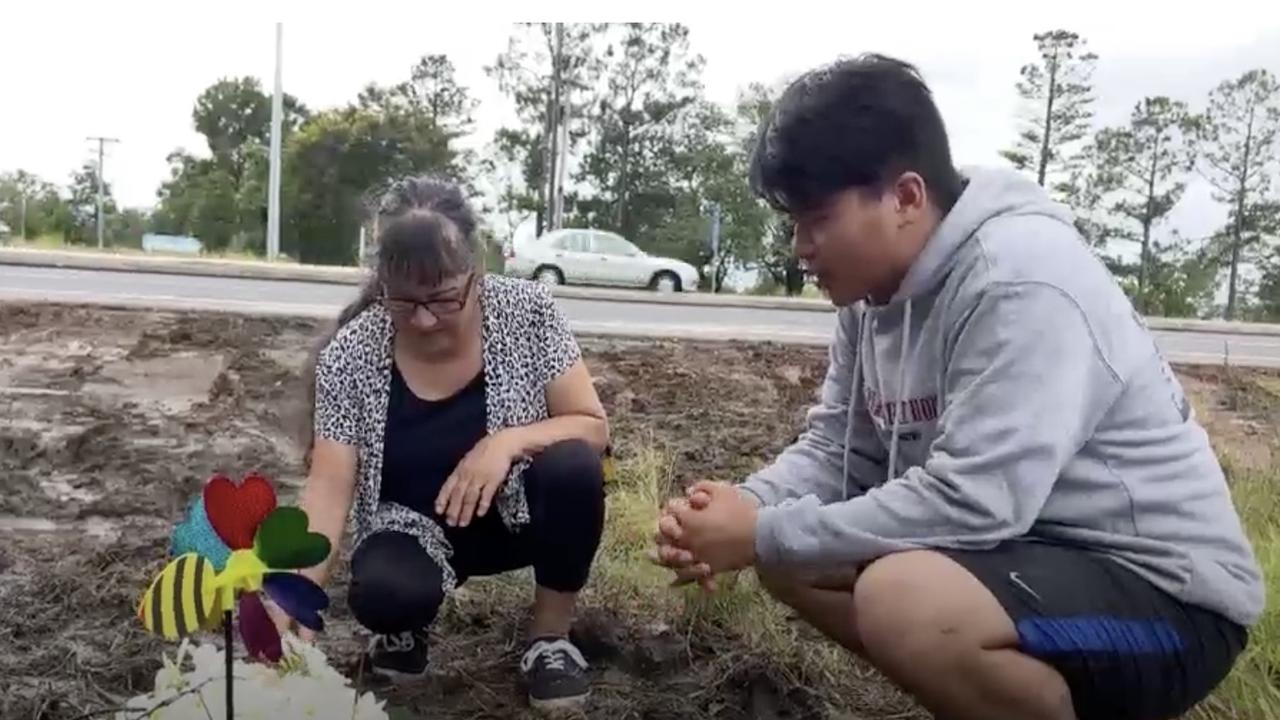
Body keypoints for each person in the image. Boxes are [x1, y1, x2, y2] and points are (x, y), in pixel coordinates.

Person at [653, 54, 1264, 720]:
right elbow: (838, 451)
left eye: (818, 219)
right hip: (1027, 560)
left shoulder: (1020, 279)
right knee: (795, 557)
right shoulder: (870, 297)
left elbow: (978, 501)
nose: (799, 246)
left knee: (899, 598)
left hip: (1164, 596)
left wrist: (764, 531)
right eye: (792, 223)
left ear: (907, 198)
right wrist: (741, 507)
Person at [277, 175, 609, 713]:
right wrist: (294, 598)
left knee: (573, 467)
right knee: (384, 594)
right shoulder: (351, 355)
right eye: (405, 303)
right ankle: (406, 630)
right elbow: (328, 491)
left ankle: (550, 638)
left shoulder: (528, 314)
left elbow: (593, 426)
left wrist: (506, 443)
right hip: (412, 527)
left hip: (516, 515)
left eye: (444, 298)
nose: (426, 320)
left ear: (474, 274)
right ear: (382, 284)